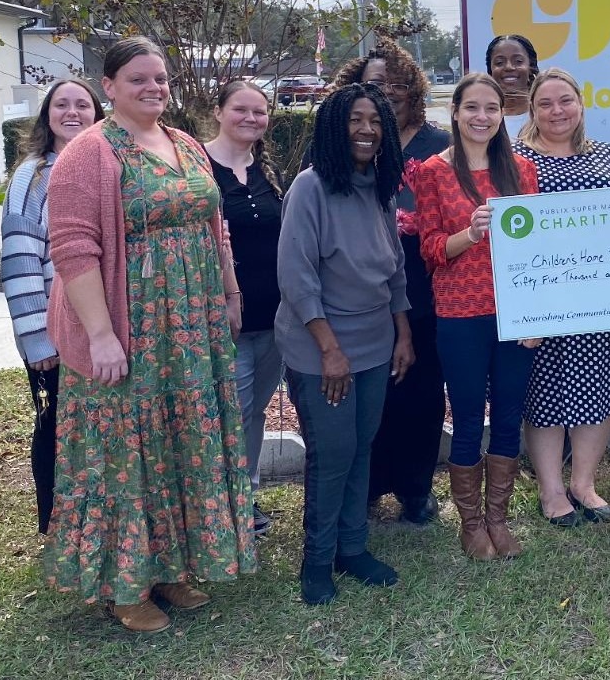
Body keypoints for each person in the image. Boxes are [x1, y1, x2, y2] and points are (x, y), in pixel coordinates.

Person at [44, 37, 255, 633]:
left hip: (191, 328)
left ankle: (168, 566)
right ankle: (123, 584)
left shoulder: (185, 144)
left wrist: (231, 292)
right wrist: (102, 335)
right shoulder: (89, 153)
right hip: (131, 329)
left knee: (176, 443)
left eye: (160, 79)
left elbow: (218, 229)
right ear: (108, 87)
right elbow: (73, 249)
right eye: (139, 79)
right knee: (124, 454)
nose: (154, 88)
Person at [275, 83, 415, 605]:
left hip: (376, 342)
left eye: (376, 120)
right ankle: (317, 561)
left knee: (360, 449)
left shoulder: (380, 184)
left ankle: (352, 549)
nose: (367, 129)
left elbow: (395, 266)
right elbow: (296, 275)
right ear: (336, 125)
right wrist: (329, 349)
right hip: (320, 346)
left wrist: (403, 332)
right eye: (356, 119)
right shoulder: (310, 187)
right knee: (332, 453)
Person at [513, 68, 610, 526]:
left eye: (566, 101)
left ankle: (583, 483)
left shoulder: (608, 157)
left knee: (601, 386)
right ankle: (551, 491)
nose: (557, 111)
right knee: (545, 394)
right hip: (546, 300)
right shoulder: (517, 159)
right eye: (546, 104)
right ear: (533, 111)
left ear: (581, 105)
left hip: (607, 300)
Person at [416, 73, 541, 559]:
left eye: (492, 108)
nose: (482, 117)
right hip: (460, 313)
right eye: (472, 108)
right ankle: (470, 524)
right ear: (456, 111)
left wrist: (537, 316)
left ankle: (499, 519)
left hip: (514, 314)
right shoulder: (432, 172)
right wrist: (469, 233)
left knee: (508, 416)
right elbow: (429, 248)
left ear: (503, 114)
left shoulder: (523, 171)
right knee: (469, 418)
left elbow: (540, 251)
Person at [336, 40, 451, 524]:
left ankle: (416, 489)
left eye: (399, 83)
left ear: (415, 90)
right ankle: (368, 487)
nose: (389, 93)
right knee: (370, 394)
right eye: (377, 84)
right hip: (362, 289)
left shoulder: (440, 144)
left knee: (422, 391)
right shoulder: (348, 144)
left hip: (428, 284)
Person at [0, 79, 104, 536]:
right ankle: (56, 524)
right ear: (47, 116)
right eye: (61, 104)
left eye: (83, 104)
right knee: (55, 426)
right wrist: (37, 337)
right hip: (55, 328)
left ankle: (94, 520)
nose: (73, 112)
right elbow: (19, 256)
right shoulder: (35, 175)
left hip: (100, 326)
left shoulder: (105, 166)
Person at [202, 79, 286, 538]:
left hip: (273, 317)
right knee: (228, 410)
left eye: (260, 111)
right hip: (221, 318)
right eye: (241, 109)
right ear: (218, 111)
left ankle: (245, 495)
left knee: (254, 411)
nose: (252, 118)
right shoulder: (197, 165)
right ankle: (223, 503)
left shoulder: (266, 172)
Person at [485, 34, 538, 137]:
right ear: (490, 71)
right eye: (499, 63)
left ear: (530, 67)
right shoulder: (482, 120)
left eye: (518, 61)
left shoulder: (544, 117)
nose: (509, 67)